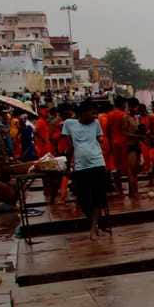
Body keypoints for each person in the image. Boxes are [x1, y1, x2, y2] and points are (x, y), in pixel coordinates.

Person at [62, 101, 109, 239]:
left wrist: (101, 141)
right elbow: (70, 147)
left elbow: (99, 138)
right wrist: (67, 165)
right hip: (81, 166)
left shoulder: (96, 124)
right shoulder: (69, 124)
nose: (95, 116)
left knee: (98, 198)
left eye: (96, 113)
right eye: (92, 113)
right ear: (82, 112)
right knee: (83, 199)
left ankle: (94, 227)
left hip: (97, 163)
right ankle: (94, 223)